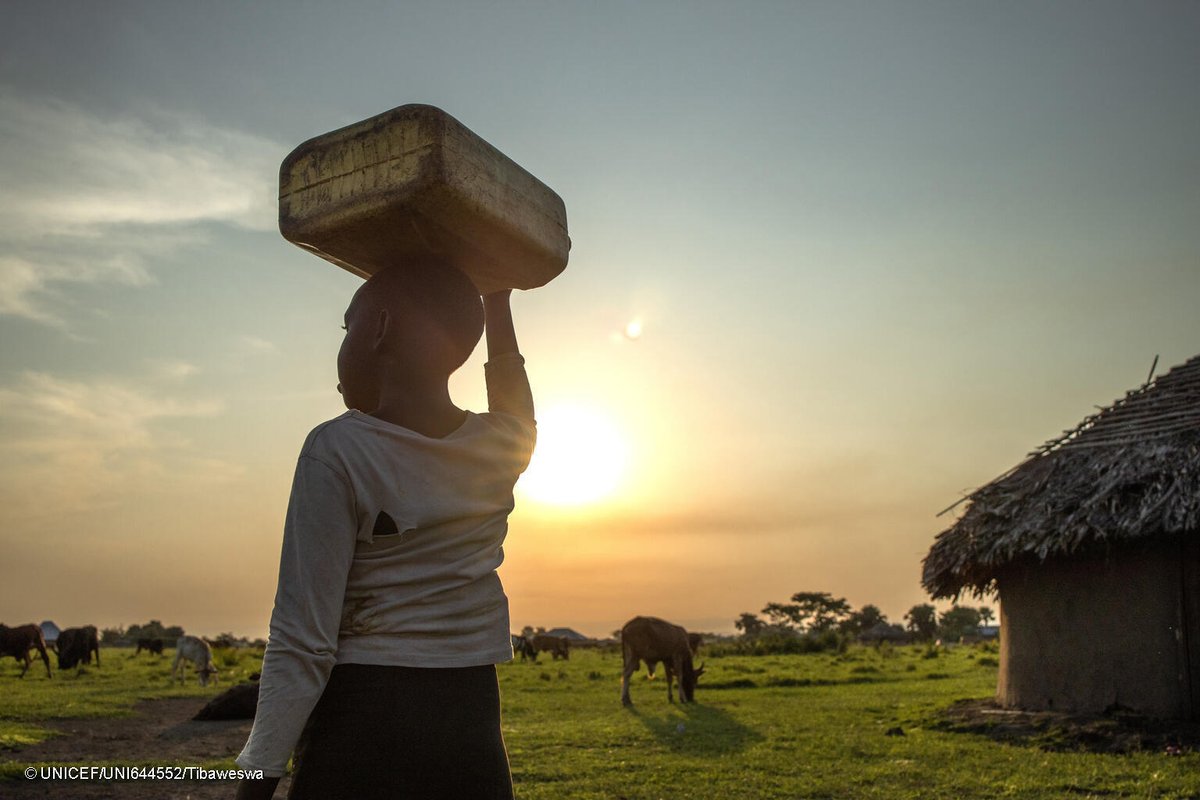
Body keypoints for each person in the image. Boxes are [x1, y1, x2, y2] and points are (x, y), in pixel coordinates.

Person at [234, 261, 535, 800]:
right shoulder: (498, 448)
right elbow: (519, 411)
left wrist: (254, 779)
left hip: (363, 725)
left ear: (379, 329)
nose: (342, 347)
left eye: (348, 328)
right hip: (471, 727)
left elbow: (303, 640)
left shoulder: (339, 450)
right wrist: (497, 300)